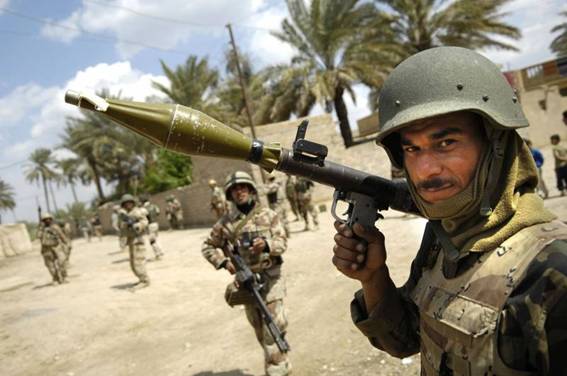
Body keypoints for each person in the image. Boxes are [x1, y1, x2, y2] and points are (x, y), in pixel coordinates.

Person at [333, 47, 567, 374]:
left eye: (446, 143)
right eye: (412, 149)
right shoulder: (445, 237)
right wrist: (374, 278)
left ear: (496, 145)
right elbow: (407, 340)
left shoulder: (553, 272)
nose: (425, 168)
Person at [201, 171, 291, 376]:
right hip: (247, 282)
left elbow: (282, 242)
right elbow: (207, 247)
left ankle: (278, 371)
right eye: (234, 190)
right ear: (230, 195)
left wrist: (266, 244)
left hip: (270, 278)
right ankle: (281, 362)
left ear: (250, 189)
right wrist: (224, 262)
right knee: (261, 332)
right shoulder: (225, 223)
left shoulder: (269, 215)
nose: (239, 192)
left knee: (273, 330)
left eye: (242, 187)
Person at [118, 194, 150, 289]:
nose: (128, 205)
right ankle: (141, 279)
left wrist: (136, 225)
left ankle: (145, 280)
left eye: (130, 203)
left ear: (133, 203)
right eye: (126, 204)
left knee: (139, 261)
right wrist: (125, 224)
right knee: (132, 263)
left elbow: (145, 222)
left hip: (138, 239)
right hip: (131, 240)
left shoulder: (137, 212)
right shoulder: (124, 215)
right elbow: (120, 227)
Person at [37, 213, 69, 284]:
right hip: (46, 248)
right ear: (43, 221)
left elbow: (61, 235)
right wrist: (41, 228)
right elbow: (38, 236)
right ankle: (55, 279)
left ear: (51, 219)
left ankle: (64, 277)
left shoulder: (55, 227)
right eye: (45, 219)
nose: (47, 220)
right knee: (50, 265)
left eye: (49, 219)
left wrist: (66, 243)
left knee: (62, 262)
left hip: (56, 246)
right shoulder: (41, 229)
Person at [140, 195, 164, 260]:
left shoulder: (143, 209)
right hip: (156, 223)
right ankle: (160, 251)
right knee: (157, 238)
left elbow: (142, 217)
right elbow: (158, 213)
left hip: (150, 225)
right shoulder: (154, 206)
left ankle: (158, 254)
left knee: (152, 241)